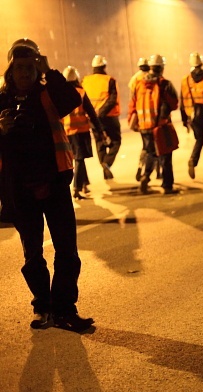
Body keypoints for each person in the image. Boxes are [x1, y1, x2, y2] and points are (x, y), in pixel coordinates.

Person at [0, 38, 94, 332]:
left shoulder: (48, 93)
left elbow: (72, 100)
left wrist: (49, 70)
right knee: (33, 255)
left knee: (67, 250)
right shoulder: (1, 100)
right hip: (20, 191)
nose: (25, 73)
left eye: (31, 67)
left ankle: (65, 309)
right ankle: (43, 306)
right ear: (10, 71)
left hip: (54, 185)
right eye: (20, 68)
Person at [128, 54, 180, 194]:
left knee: (150, 152)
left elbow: (133, 104)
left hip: (144, 126)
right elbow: (174, 103)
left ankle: (145, 176)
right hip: (160, 125)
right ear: (161, 68)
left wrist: (133, 122)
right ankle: (167, 186)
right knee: (165, 154)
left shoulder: (139, 83)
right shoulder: (164, 83)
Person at [62, 66, 105, 200]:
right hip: (80, 131)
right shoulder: (80, 92)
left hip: (67, 132)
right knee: (79, 158)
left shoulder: (60, 93)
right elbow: (91, 113)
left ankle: (85, 183)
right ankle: (76, 188)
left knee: (78, 157)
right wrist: (100, 130)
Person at [82, 55, 121, 180]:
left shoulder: (85, 81)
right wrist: (102, 112)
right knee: (116, 141)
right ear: (104, 66)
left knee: (100, 142)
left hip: (93, 117)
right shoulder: (109, 80)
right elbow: (112, 99)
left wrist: (93, 114)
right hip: (109, 116)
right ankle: (107, 163)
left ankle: (104, 165)